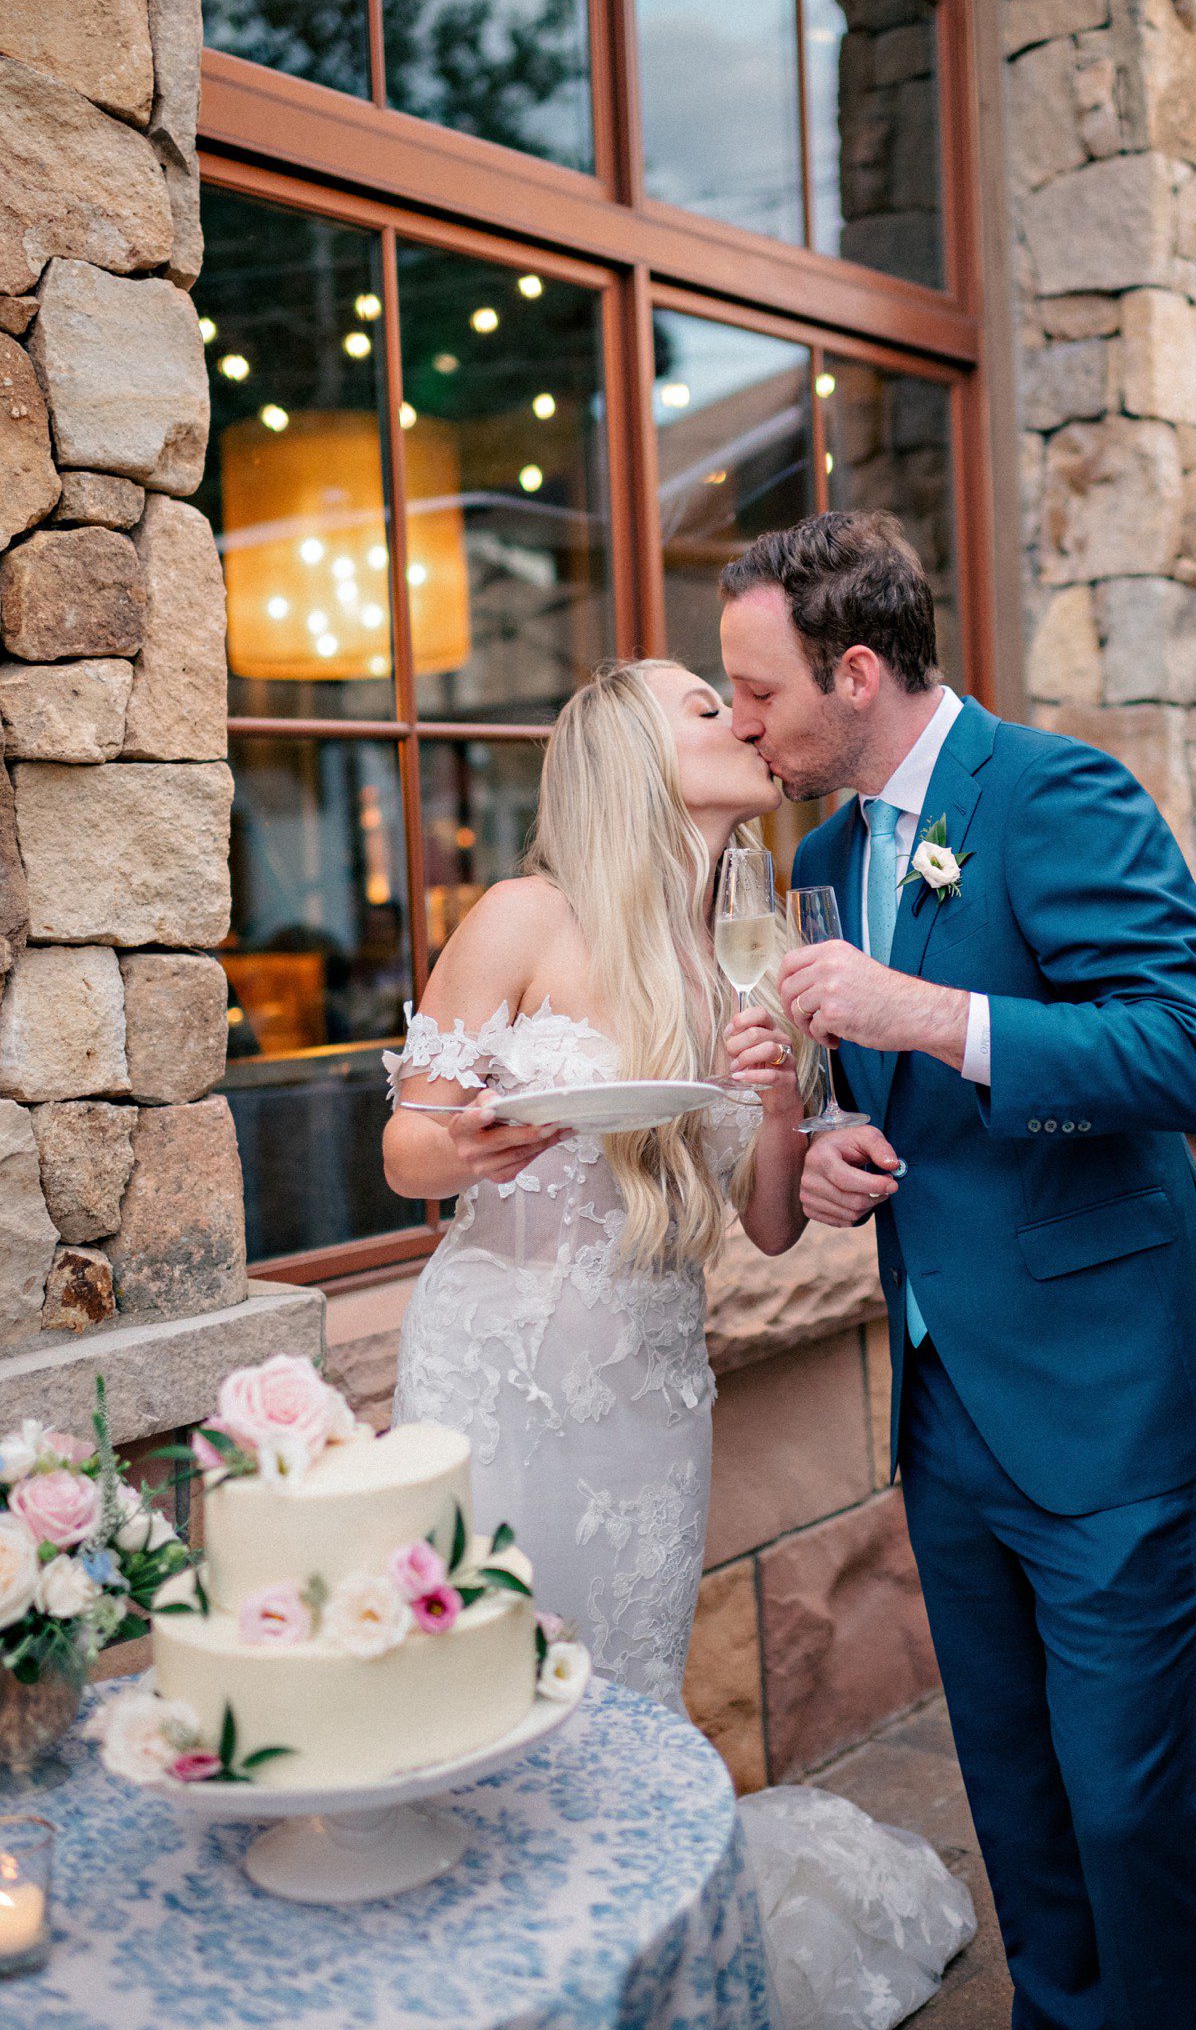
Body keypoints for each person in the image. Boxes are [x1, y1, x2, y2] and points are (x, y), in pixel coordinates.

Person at [719, 510, 1196, 2030]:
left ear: (861, 672)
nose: (743, 724)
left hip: (1105, 1400)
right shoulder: (824, 856)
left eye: (759, 693)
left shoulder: (1054, 793)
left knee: (1129, 1811)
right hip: (946, 1409)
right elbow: (862, 1103)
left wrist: (931, 1015)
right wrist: (826, 1146)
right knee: (1018, 1800)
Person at [384, 658, 975, 2030]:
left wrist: (778, 1108)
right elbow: (406, 1146)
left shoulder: (743, 957)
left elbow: (769, 1228)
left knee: (625, 1701)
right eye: (707, 708)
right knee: (479, 1683)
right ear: (629, 760)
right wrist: (480, 1141)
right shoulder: (527, 917)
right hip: (493, 1375)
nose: (745, 721)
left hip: (653, 1394)